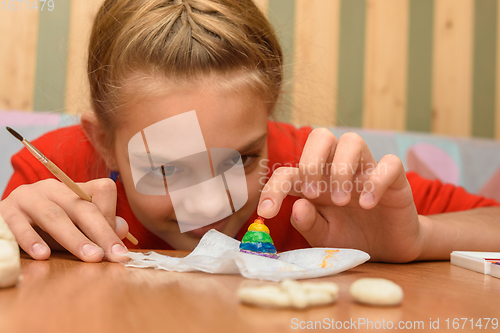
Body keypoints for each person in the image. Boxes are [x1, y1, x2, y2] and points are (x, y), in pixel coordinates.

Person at [1, 0, 499, 264]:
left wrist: (417, 239)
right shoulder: (57, 170)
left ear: (267, 120)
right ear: (102, 141)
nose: (212, 205)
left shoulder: (313, 175)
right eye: (170, 168)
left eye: (240, 159)